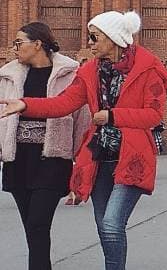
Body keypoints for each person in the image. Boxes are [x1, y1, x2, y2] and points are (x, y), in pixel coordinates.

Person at [0, 10, 167, 270]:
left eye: (95, 37)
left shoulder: (147, 69)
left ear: (113, 39)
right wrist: (25, 104)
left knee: (113, 224)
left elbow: (153, 115)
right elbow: (63, 104)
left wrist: (112, 116)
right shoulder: (89, 71)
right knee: (104, 226)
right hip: (99, 159)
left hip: (132, 158)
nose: (90, 43)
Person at [0, 22, 90, 270]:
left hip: (52, 161)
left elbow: (82, 123)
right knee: (32, 228)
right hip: (18, 160)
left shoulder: (70, 75)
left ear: (38, 44)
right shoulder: (9, 75)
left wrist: (79, 171)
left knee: (39, 224)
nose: (15, 47)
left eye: (19, 42)